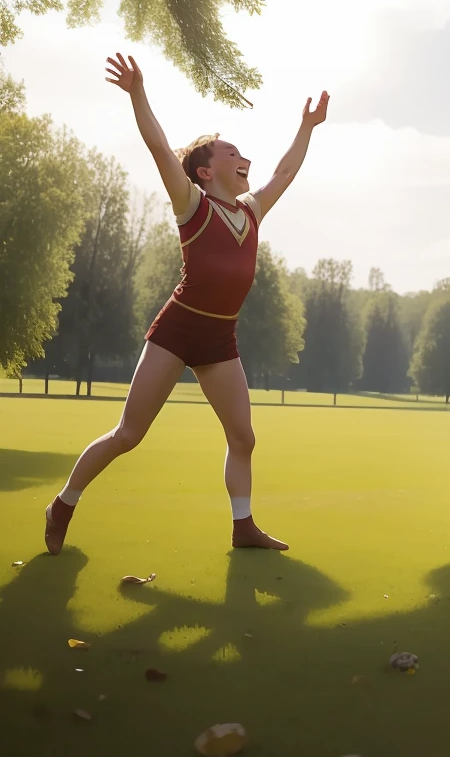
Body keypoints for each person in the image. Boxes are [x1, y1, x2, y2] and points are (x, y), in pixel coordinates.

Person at [44, 53, 328, 555]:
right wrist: (137, 93)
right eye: (232, 152)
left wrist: (307, 128)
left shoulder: (251, 211)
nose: (245, 159)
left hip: (220, 338)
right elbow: (158, 147)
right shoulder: (193, 204)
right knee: (129, 433)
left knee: (244, 437)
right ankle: (63, 503)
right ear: (205, 170)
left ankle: (243, 528)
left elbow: (285, 171)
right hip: (177, 331)